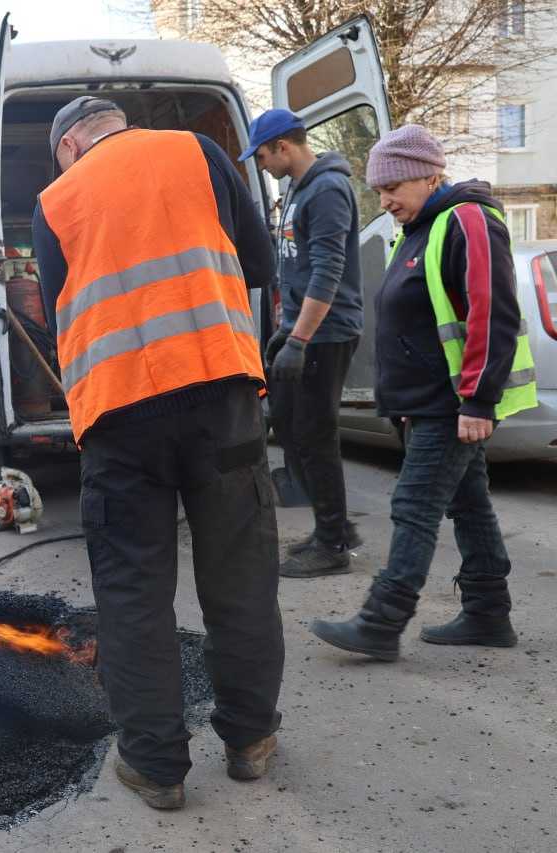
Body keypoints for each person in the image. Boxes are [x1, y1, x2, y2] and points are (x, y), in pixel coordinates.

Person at [32, 97, 283, 810]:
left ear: (70, 145)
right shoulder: (199, 152)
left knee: (133, 590)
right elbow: (260, 263)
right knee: (240, 571)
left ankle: (155, 766)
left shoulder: (55, 201)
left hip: (119, 414)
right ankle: (250, 741)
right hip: (221, 390)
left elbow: (57, 312)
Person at [310, 126, 538, 661]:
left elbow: (493, 312)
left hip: (451, 402)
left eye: (392, 187)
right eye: (379, 190)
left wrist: (478, 400)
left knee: (414, 505)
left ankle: (381, 622)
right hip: (427, 404)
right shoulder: (418, 228)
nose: (384, 201)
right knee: (469, 503)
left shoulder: (468, 219)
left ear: (430, 175)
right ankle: (487, 612)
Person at [241, 109, 364, 578]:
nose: (262, 165)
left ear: (283, 147)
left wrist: (300, 339)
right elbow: (293, 266)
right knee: (291, 426)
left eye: (262, 156)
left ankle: (333, 544)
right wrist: (284, 329)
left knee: (315, 433)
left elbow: (328, 271)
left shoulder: (327, 189)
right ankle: (333, 525)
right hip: (301, 329)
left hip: (326, 333)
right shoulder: (297, 188)